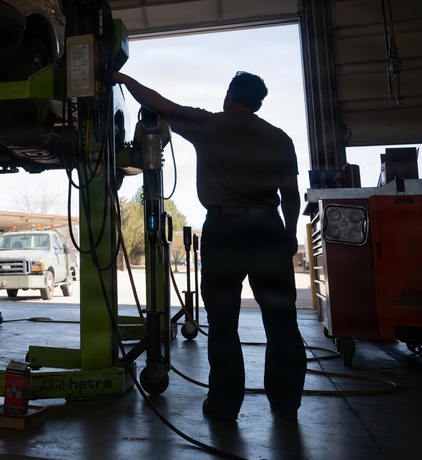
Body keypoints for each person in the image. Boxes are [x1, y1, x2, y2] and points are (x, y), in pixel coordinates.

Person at [113, 70, 306, 422]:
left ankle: (223, 406)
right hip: (267, 228)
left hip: (225, 228)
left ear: (230, 93)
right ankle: (286, 402)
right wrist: (289, 233)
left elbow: (159, 105)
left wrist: (124, 80)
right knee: (281, 322)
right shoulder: (280, 139)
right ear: (258, 103)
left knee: (223, 323)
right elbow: (290, 194)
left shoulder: (208, 125)